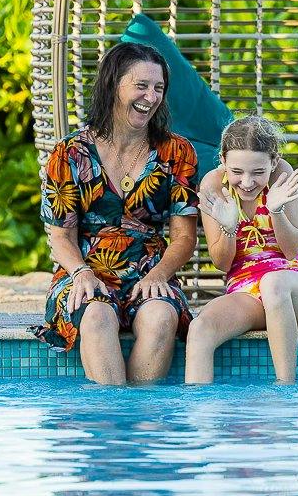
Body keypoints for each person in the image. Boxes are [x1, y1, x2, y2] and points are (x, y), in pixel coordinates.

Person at [33, 42, 198, 384]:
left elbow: (184, 237)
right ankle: (111, 425)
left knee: (161, 318)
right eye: (141, 86)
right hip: (84, 272)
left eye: (158, 88)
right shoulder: (68, 154)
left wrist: (158, 275)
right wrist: (81, 273)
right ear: (112, 84)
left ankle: (139, 420)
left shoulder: (177, 152)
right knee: (95, 317)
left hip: (150, 271)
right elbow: (60, 236)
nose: (151, 97)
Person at [185, 116, 298, 385]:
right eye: (237, 172)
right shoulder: (212, 185)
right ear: (222, 159)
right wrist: (229, 228)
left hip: (292, 288)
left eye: (258, 172)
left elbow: (292, 251)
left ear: (272, 160)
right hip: (245, 289)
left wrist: (276, 211)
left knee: (273, 283)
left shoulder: (282, 175)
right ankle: (201, 416)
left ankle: (285, 391)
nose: (247, 182)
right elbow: (222, 264)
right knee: (200, 328)